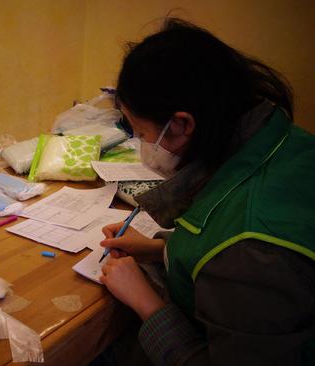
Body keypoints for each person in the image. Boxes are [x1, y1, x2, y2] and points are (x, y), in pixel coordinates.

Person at [99, 18, 315, 366]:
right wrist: (160, 249)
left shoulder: (252, 252)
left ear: (182, 124)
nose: (140, 145)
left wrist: (146, 304)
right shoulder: (281, 142)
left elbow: (241, 254)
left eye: (140, 133)